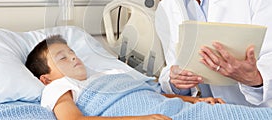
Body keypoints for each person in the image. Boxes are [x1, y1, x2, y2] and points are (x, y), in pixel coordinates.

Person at [25, 35, 226, 120]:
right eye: (62, 58)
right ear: (46, 79)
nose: (73, 58)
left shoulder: (109, 75)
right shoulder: (58, 86)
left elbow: (152, 95)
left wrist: (196, 100)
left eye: (72, 53)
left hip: (181, 110)